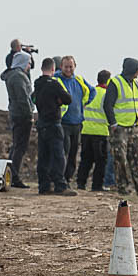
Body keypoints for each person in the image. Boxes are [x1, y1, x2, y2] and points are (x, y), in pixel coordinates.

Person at [103, 58, 138, 199]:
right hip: (119, 129)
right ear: (132, 69)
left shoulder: (137, 84)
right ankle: (123, 188)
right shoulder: (115, 82)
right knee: (120, 159)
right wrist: (113, 124)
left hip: (134, 128)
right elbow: (107, 105)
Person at [33, 58, 75, 195]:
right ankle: (60, 185)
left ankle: (44, 186)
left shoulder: (37, 84)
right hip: (53, 124)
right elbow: (68, 99)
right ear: (53, 69)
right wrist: (58, 100)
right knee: (58, 156)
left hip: (41, 124)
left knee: (43, 156)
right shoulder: (54, 84)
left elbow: (33, 98)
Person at [54, 56, 96, 185]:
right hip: (63, 122)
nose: (68, 69)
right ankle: (59, 178)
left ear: (75, 66)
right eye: (66, 66)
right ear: (61, 67)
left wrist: (85, 102)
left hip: (77, 122)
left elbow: (92, 91)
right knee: (64, 151)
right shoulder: (56, 79)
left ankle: (68, 178)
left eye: (71, 66)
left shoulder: (79, 79)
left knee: (73, 153)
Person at [0, 51, 34, 188]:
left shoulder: (12, 75)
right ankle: (14, 176)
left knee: (16, 145)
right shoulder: (19, 77)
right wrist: (29, 114)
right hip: (22, 115)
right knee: (20, 146)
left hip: (15, 113)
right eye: (29, 63)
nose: (30, 66)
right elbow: (23, 98)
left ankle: (10, 174)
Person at [76, 70, 111, 191]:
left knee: (85, 160)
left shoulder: (90, 93)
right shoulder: (107, 94)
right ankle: (97, 186)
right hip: (100, 133)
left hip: (86, 131)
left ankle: (81, 183)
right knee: (101, 162)